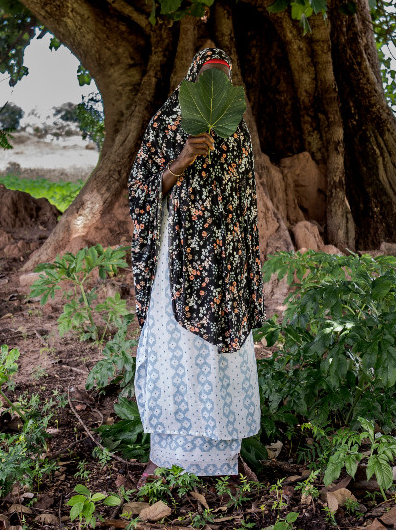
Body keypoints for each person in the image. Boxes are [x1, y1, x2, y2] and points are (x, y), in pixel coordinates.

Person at [128, 47, 265, 480]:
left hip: (222, 268)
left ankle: (224, 455)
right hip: (180, 262)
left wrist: (241, 269)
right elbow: (141, 190)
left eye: (223, 79)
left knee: (222, 357)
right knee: (178, 350)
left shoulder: (236, 134)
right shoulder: (169, 123)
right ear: (193, 80)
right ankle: (168, 456)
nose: (215, 87)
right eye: (208, 78)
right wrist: (182, 158)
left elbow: (245, 208)